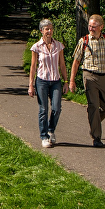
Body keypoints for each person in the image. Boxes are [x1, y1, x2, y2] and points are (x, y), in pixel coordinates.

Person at [69, 14, 105, 147]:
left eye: (93, 26)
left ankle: (94, 124)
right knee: (93, 106)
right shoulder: (84, 41)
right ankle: (96, 137)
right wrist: (71, 81)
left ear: (101, 27)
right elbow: (76, 62)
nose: (91, 28)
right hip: (90, 76)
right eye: (89, 26)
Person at [28, 19, 68, 148]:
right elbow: (33, 67)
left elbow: (62, 64)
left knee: (56, 108)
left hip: (56, 80)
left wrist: (66, 81)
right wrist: (30, 85)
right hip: (42, 81)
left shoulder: (59, 46)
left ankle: (51, 130)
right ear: (41, 31)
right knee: (43, 109)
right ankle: (44, 136)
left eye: (51, 28)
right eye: (46, 29)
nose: (49, 31)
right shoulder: (36, 47)